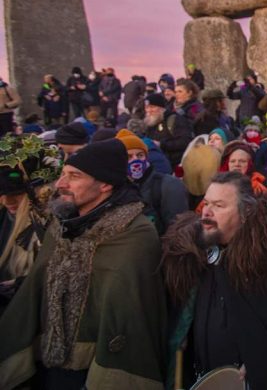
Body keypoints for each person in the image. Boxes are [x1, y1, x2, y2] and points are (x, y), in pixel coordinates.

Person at [0, 139, 167, 389]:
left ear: (105, 184)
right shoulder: (61, 225)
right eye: (63, 174)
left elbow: (129, 310)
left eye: (74, 176)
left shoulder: (134, 235)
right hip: (46, 363)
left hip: (94, 367)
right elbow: (39, 284)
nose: (61, 184)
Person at [161, 172, 267, 390]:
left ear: (245, 212)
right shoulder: (197, 255)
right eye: (206, 203)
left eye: (219, 206)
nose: (207, 213)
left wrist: (261, 364)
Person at [0, 136, 59, 310]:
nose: (6, 200)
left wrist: (17, 287)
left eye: (17, 194)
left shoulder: (50, 227)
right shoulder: (5, 218)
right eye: (2, 193)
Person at [117, 129, 187, 235]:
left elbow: (178, 232)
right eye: (129, 156)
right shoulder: (115, 189)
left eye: (140, 155)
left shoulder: (168, 185)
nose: (136, 160)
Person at [144, 92, 193, 168]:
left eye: (152, 107)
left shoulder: (175, 120)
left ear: (161, 108)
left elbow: (185, 141)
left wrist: (161, 144)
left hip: (175, 166)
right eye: (147, 107)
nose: (149, 110)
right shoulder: (150, 123)